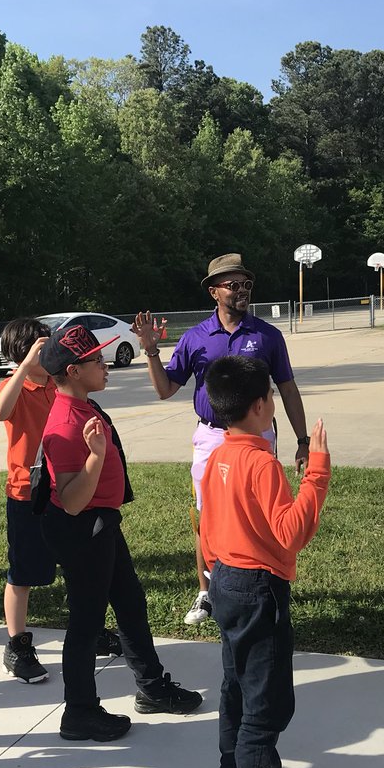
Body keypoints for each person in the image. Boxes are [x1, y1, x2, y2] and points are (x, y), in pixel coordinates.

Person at [39, 323, 203, 742]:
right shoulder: (63, 424)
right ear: (74, 371)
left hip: (103, 525)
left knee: (130, 605)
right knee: (87, 624)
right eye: (96, 360)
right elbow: (72, 500)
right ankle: (79, 712)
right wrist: (95, 458)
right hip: (84, 530)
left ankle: (150, 687)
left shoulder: (85, 406)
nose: (105, 365)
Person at [132, 253, 311, 627]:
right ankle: (206, 589)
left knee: (261, 513)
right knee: (206, 516)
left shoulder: (268, 336)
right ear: (214, 292)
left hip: (258, 437)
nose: (242, 291)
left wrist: (303, 440)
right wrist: (150, 350)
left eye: (246, 284)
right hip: (211, 438)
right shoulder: (196, 338)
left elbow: (288, 389)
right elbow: (166, 388)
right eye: (233, 285)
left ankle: (267, 581)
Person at [200, 356, 330, 768]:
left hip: (227, 582)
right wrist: (317, 472)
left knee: (236, 685)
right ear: (260, 406)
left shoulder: (219, 456)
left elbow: (206, 525)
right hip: (259, 588)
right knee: (266, 702)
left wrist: (215, 574)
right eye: (271, 398)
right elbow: (291, 533)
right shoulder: (260, 462)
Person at [0, 317, 59, 683]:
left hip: (62, 488)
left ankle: (90, 629)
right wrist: (22, 368)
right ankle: (16, 645)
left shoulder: (55, 384)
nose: (46, 352)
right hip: (25, 491)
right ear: (23, 352)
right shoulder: (13, 387)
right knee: (22, 572)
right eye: (39, 347)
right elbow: (0, 411)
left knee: (79, 559)